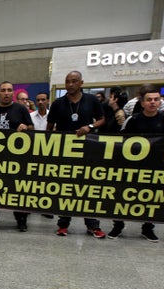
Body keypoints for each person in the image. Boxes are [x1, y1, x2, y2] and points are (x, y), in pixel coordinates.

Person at [109, 85, 164, 242]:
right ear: (143, 102)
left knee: (151, 198)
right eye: (149, 100)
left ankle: (148, 228)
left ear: (160, 101)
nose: (152, 102)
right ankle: (118, 226)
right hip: (133, 167)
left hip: (155, 167)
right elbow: (121, 141)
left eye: (156, 99)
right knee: (123, 197)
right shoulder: (133, 120)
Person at [47, 70, 106, 238]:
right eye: (67, 81)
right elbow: (49, 127)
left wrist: (90, 127)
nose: (70, 84)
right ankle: (63, 224)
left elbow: (102, 120)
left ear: (81, 83)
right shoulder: (58, 103)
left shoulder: (92, 100)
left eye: (74, 81)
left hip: (87, 151)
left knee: (87, 188)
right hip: (65, 151)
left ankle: (92, 225)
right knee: (66, 188)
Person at [0, 81, 34, 231]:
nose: (6, 93)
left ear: (13, 93)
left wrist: (25, 127)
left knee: (16, 189)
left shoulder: (20, 109)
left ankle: (21, 219)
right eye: (3, 90)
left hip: (15, 158)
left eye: (9, 90)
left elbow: (31, 127)